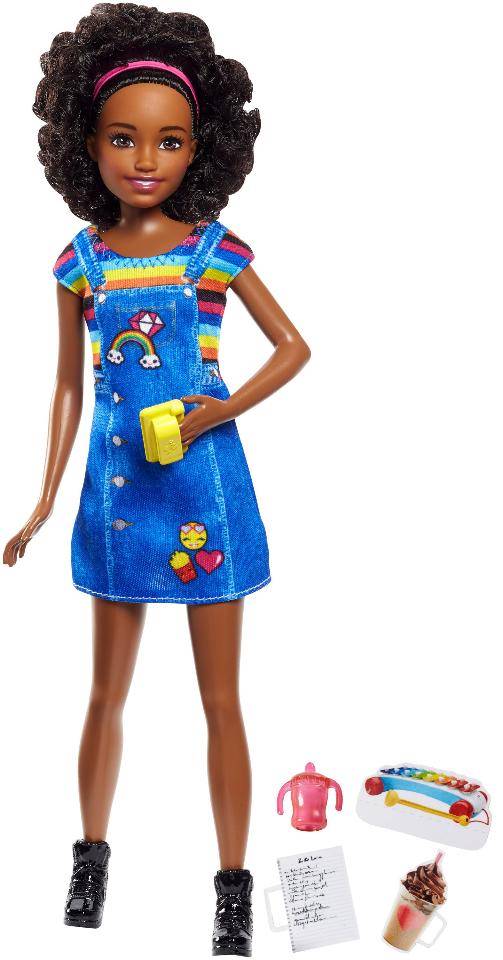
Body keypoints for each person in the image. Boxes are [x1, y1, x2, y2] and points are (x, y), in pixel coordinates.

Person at [3, 5, 310, 955]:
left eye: (169, 140)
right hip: (117, 495)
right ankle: (90, 857)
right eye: (123, 138)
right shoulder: (80, 261)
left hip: (203, 487)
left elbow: (293, 347)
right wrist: (43, 498)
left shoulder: (214, 249)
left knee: (220, 700)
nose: (145, 159)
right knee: (105, 695)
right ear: (84, 143)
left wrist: (217, 411)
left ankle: (232, 885)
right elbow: (66, 385)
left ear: (199, 147)